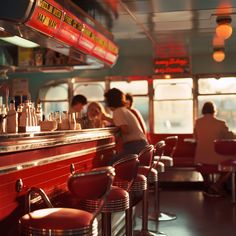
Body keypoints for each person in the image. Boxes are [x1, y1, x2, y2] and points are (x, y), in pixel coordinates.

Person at [194, 101, 235, 196]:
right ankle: (217, 185)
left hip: (201, 158)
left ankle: (207, 185)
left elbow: (195, 137)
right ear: (214, 110)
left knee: (204, 166)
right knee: (231, 164)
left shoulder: (198, 122)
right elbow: (230, 137)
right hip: (216, 158)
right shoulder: (220, 123)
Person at [104, 88, 149, 164]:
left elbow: (125, 129)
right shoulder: (124, 110)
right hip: (141, 146)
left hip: (134, 147)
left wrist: (117, 132)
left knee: (111, 164)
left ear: (110, 101)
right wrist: (106, 118)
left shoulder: (117, 111)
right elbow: (120, 122)